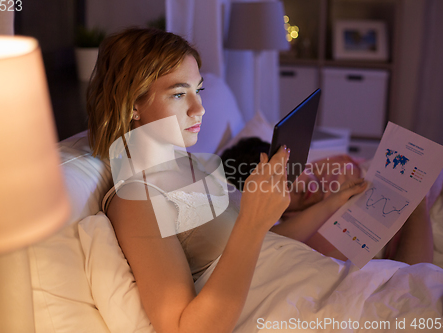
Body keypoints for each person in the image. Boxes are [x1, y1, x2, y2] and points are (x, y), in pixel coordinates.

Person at [87, 27, 367, 333]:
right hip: (303, 309)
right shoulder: (136, 200)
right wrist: (251, 220)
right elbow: (184, 327)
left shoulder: (187, 164)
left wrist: (331, 205)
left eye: (199, 91)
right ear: (132, 105)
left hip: (324, 283)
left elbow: (263, 245)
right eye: (179, 94)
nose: (200, 109)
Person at [221, 137, 438, 263]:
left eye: (290, 173)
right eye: (281, 186)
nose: (296, 187)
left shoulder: (329, 165)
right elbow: (414, 276)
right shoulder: (298, 231)